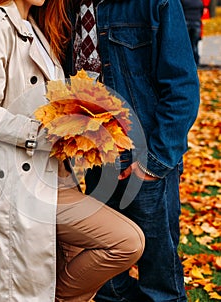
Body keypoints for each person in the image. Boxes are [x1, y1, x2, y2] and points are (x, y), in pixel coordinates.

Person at [0, 0, 145, 301]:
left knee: (89, 258)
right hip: (16, 181)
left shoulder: (37, 28)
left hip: (53, 176)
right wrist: (43, 135)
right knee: (127, 241)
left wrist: (83, 127)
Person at [63, 0, 200, 301]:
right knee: (108, 282)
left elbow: (183, 89)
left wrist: (154, 163)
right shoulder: (72, 5)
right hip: (97, 159)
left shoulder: (156, 3)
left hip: (145, 159)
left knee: (159, 278)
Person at [180, 0, 204, 66]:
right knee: (194, 44)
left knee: (185, 44)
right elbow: (201, 12)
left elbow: (180, 11)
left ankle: (185, 62)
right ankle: (196, 62)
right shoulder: (199, 2)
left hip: (186, 23)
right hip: (196, 24)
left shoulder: (184, 1)